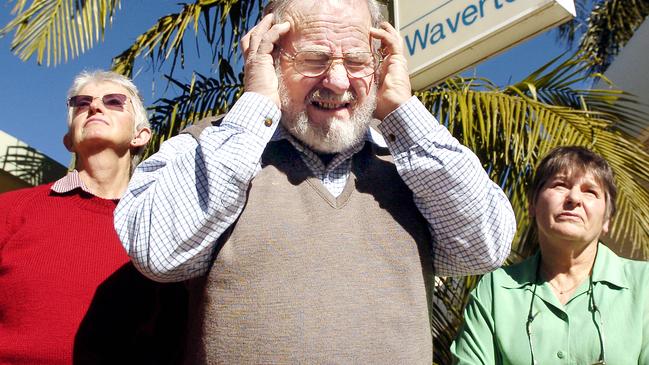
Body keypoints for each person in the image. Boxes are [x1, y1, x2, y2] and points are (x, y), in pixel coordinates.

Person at [115, 0, 516, 363]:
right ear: (268, 57)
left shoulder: (412, 155)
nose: (338, 81)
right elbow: (157, 253)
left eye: (358, 61)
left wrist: (405, 114)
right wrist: (255, 108)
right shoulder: (210, 146)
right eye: (314, 59)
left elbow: (485, 248)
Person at [0, 70, 187, 364]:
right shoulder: (11, 210)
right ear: (68, 140)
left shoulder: (165, 228)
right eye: (82, 103)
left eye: (113, 101)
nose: (95, 107)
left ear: (141, 135)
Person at [451, 146, 649, 364]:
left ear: (607, 220)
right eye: (560, 185)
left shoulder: (643, 285)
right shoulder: (496, 289)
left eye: (590, 191)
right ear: (532, 205)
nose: (574, 198)